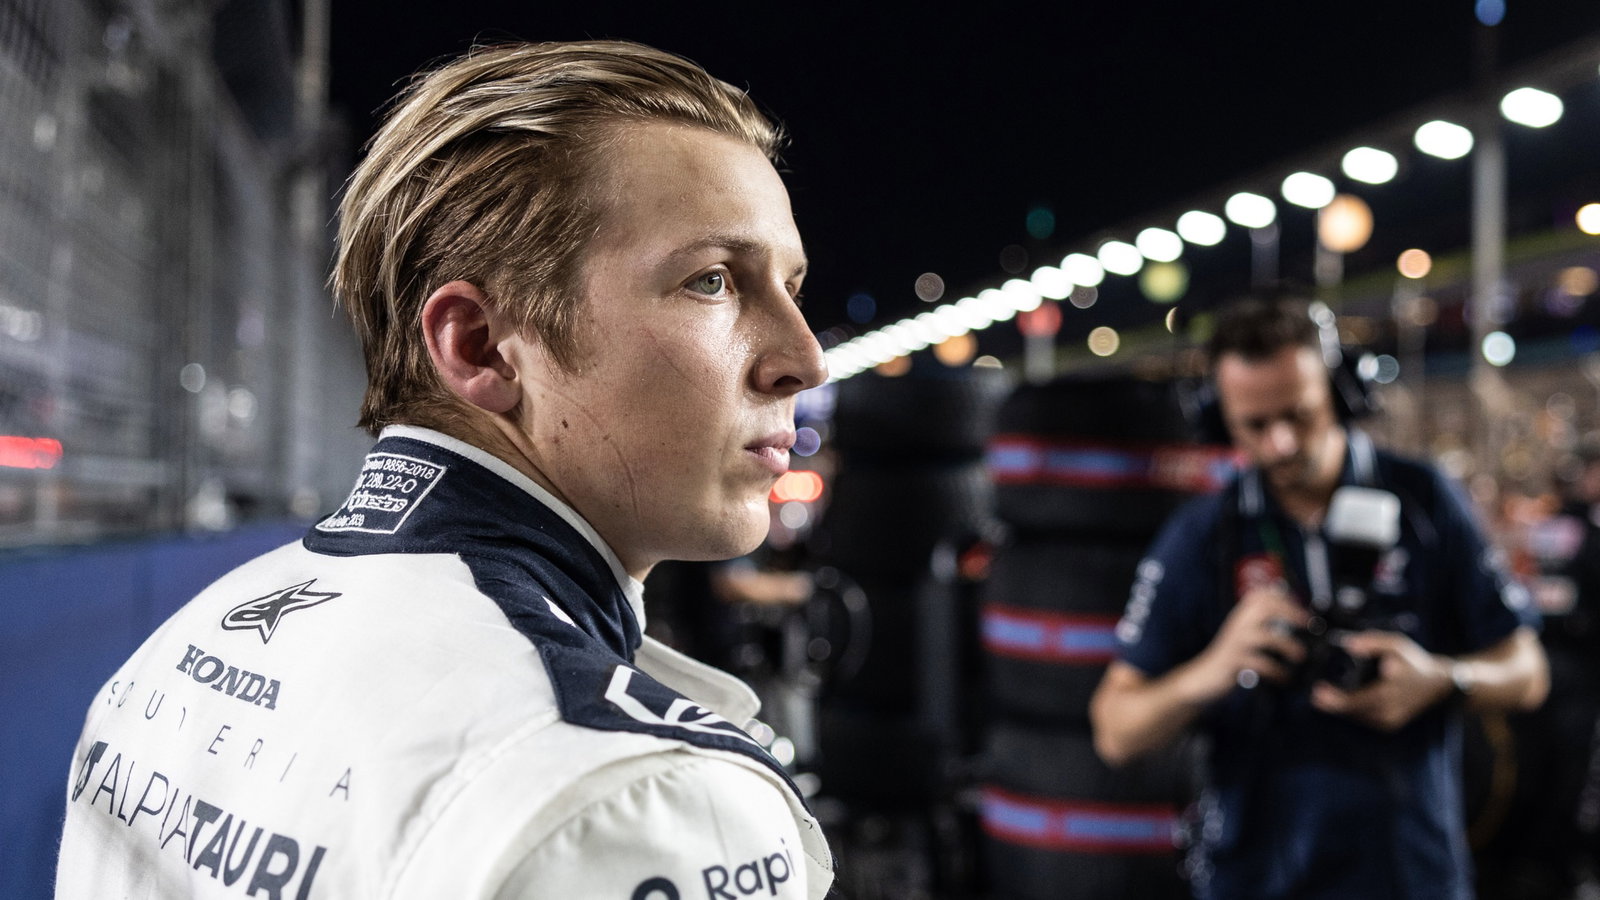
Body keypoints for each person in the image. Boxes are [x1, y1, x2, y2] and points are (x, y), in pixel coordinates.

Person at [56, 40, 835, 898]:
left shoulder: (180, 647)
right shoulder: (636, 799)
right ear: (481, 347)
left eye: (792, 287)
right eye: (714, 281)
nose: (803, 359)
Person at [1089, 295, 1548, 900]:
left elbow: (1528, 672)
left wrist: (1441, 679)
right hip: (1253, 876)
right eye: (1254, 425)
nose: (1280, 443)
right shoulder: (1203, 535)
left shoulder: (1424, 498)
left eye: (1298, 415)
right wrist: (1214, 669)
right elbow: (1115, 730)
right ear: (1217, 417)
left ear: (1339, 392)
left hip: (1411, 873)